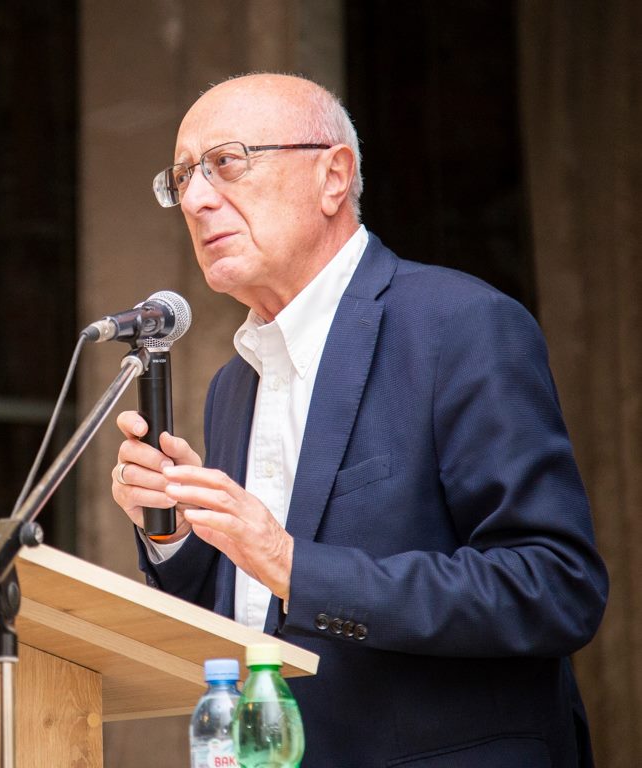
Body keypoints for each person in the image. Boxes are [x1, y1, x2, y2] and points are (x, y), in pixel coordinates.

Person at [111, 73, 608, 767]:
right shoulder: (235, 384)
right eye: (183, 177)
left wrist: (293, 565)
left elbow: (552, 588)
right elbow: (253, 617)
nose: (195, 199)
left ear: (333, 177)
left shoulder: (458, 326)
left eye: (226, 163)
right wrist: (180, 535)